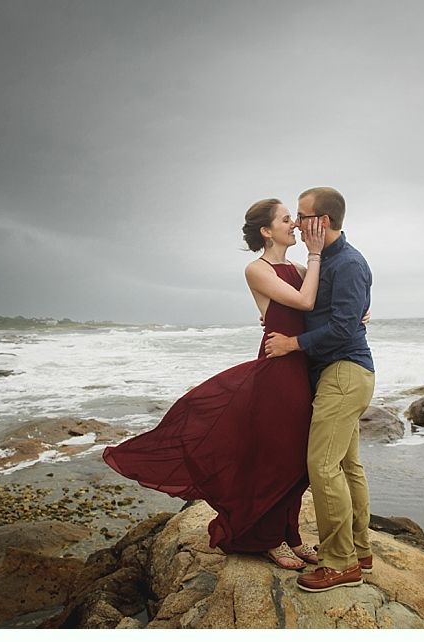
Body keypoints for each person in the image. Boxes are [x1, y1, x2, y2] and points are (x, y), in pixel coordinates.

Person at [102, 198, 326, 570]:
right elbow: (304, 302)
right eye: (287, 219)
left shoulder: (299, 267)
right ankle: (267, 539)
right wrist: (317, 255)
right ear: (267, 231)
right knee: (277, 454)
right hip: (277, 369)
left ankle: (290, 535)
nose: (295, 225)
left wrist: (355, 311)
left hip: (301, 364)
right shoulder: (257, 269)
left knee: (298, 457)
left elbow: (321, 303)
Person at [264, 186, 376, 593]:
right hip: (339, 373)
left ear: (321, 221)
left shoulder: (347, 263)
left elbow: (346, 327)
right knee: (347, 466)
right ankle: (359, 550)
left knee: (323, 467)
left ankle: (339, 563)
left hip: (344, 374)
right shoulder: (324, 260)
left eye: (301, 214)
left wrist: (293, 345)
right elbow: (338, 312)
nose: (295, 221)